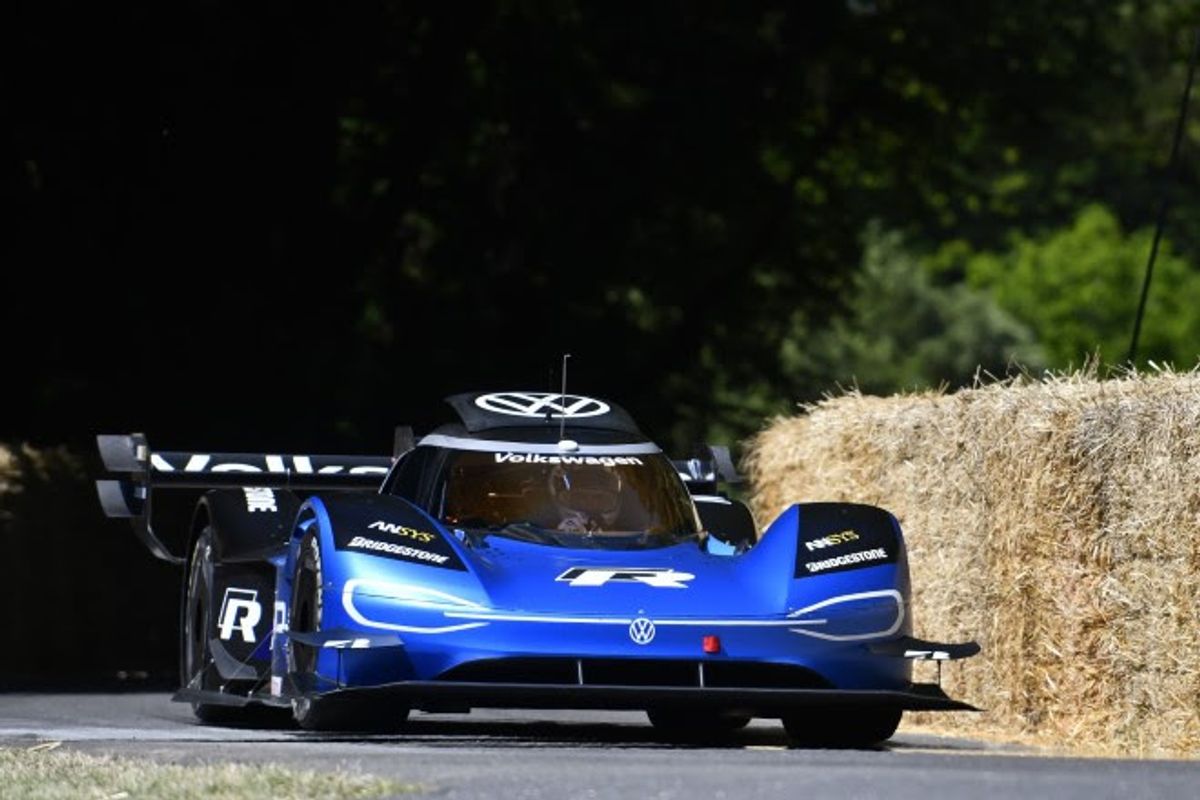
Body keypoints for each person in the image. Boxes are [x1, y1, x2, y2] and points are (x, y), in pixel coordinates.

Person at [548, 465, 623, 533]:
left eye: (598, 498)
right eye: (581, 498)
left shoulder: (629, 537)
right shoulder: (544, 534)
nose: (590, 504)